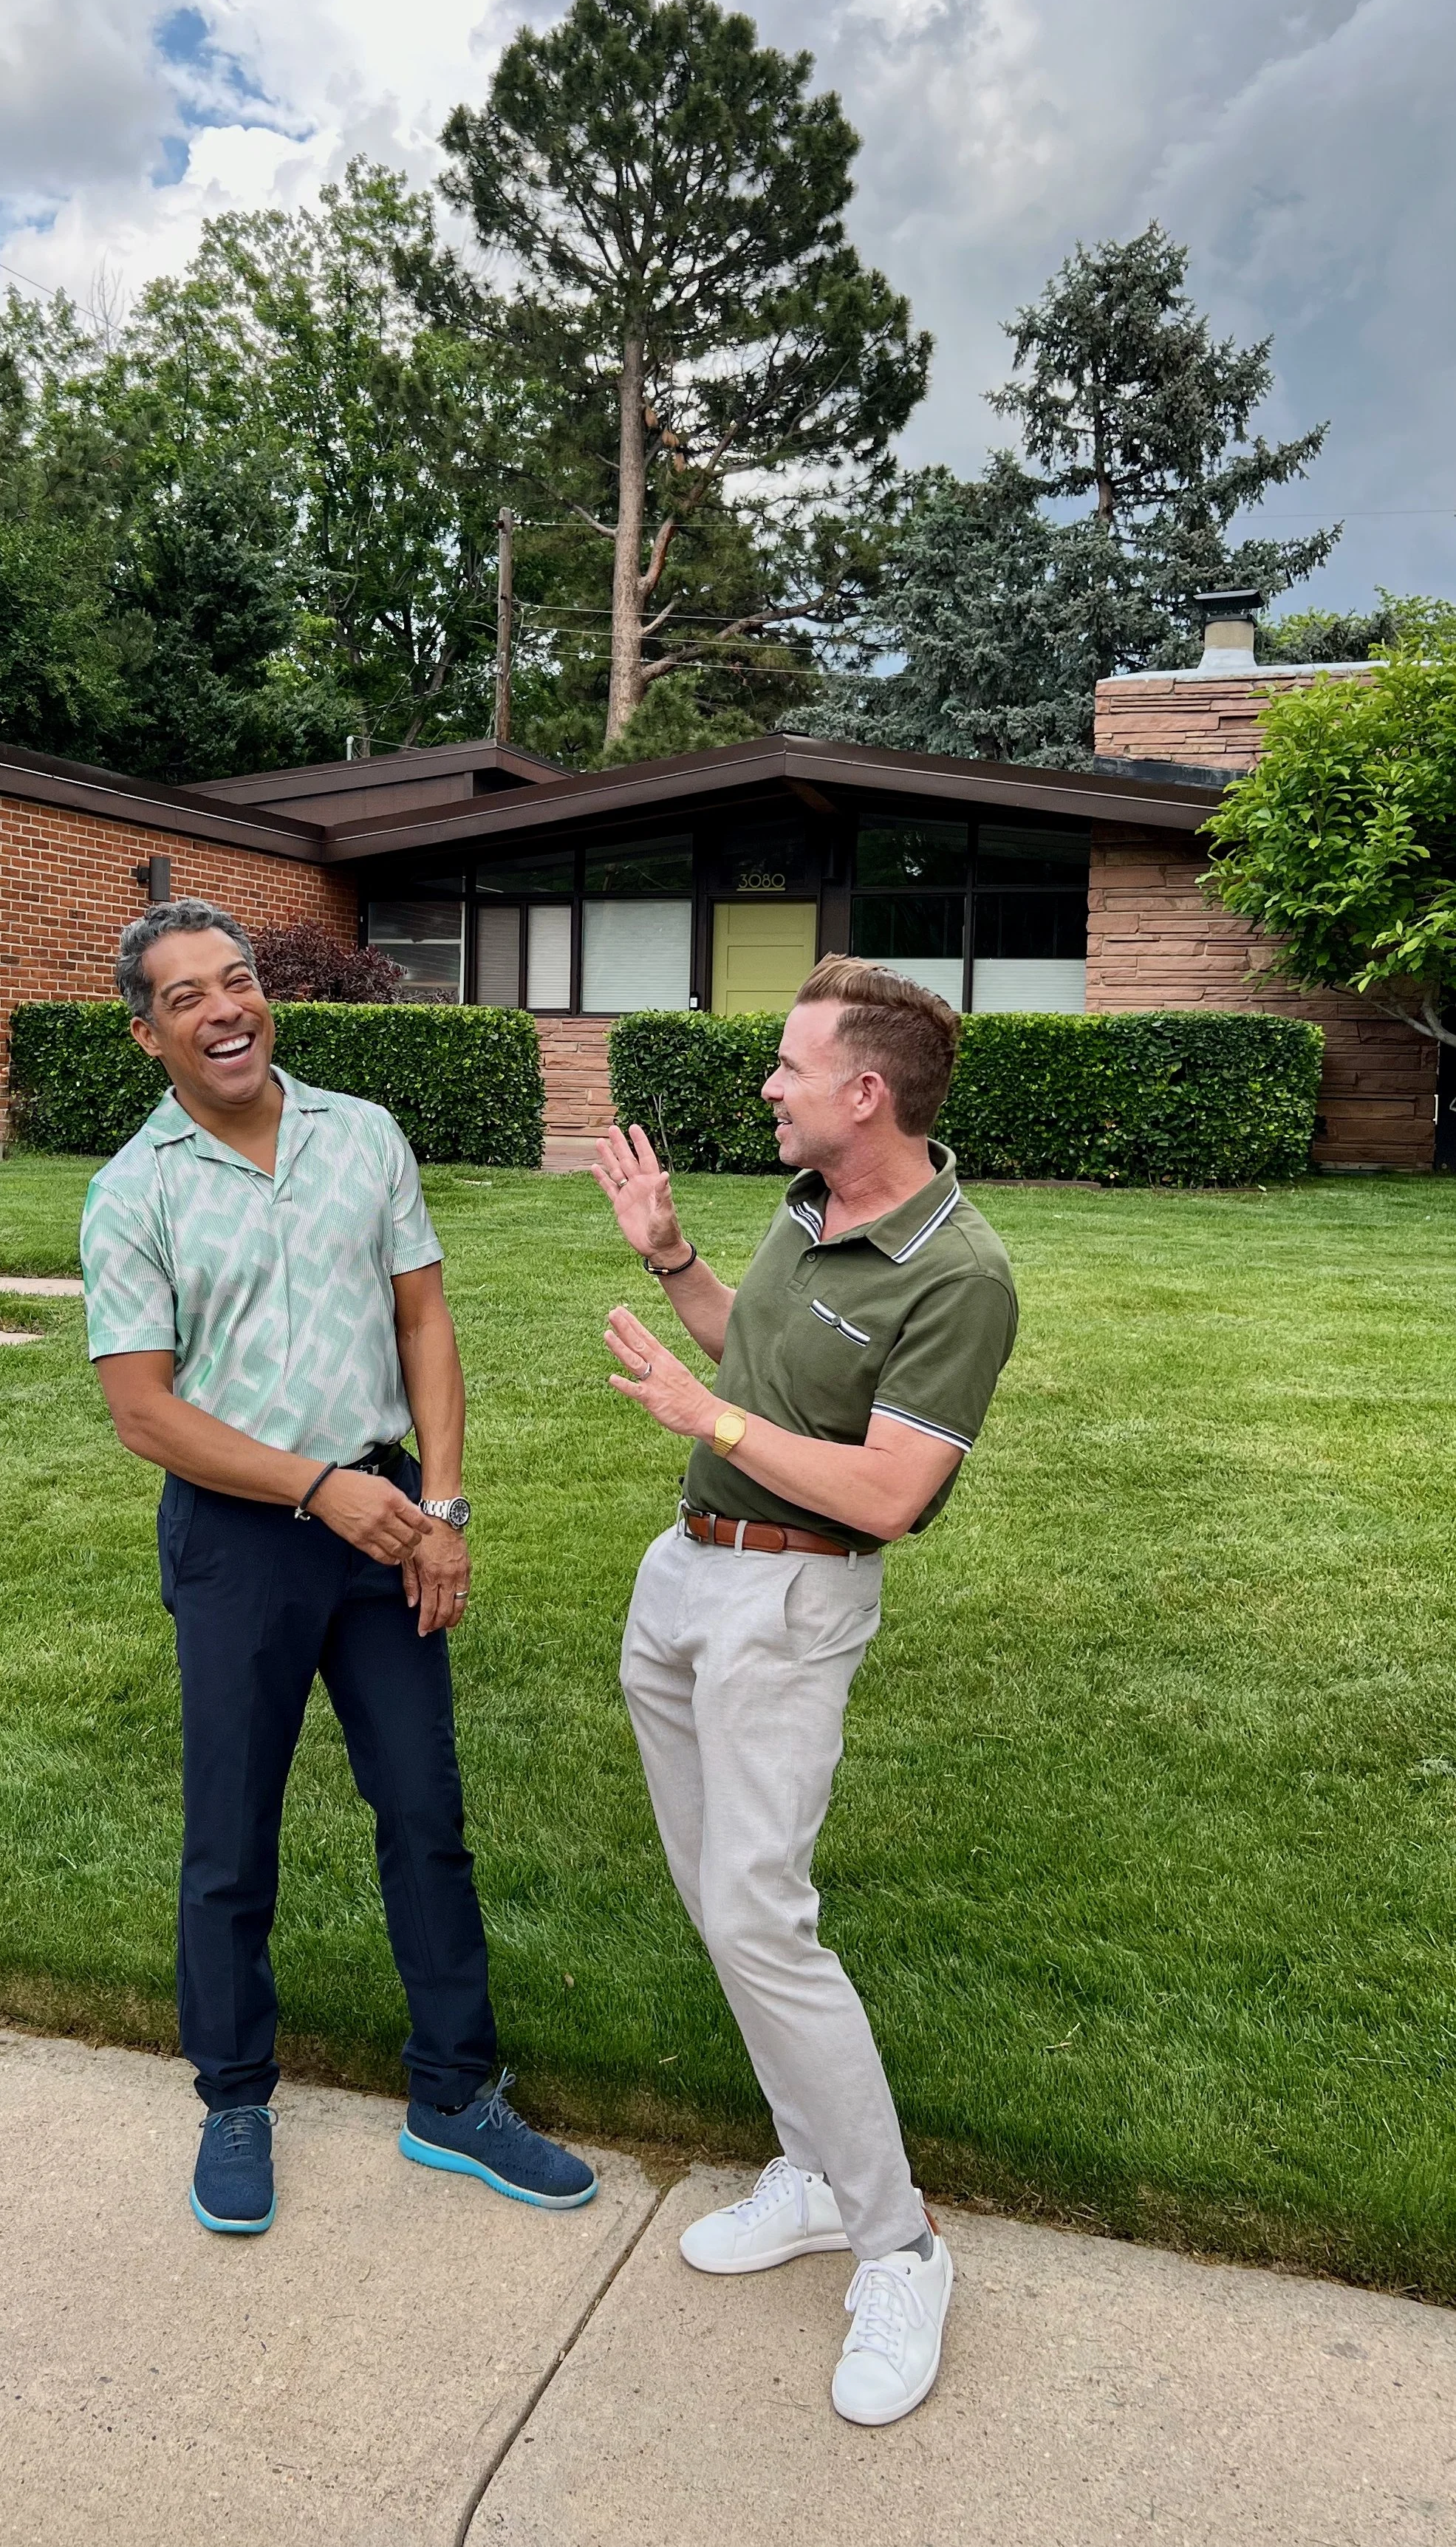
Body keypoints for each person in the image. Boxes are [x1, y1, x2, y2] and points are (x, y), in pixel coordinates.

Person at [81, 896, 595, 2234]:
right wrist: (322, 1491)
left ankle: (454, 2094)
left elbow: (422, 1317)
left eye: (236, 979)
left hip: (392, 1523)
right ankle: (235, 2096)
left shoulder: (362, 1135)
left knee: (424, 1811)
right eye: (185, 995)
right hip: (243, 1538)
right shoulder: (131, 1190)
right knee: (230, 1832)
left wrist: (442, 1507)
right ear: (148, 1034)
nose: (224, 1007)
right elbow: (144, 1409)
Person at [594, 956, 1016, 2427]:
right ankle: (813, 2171)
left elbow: (894, 1489)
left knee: (760, 1906)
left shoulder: (957, 1274)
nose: (763, 1084)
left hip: (790, 1595)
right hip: (686, 1568)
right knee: (721, 1900)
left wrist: (702, 1414)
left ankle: (897, 2242)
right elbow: (754, 1365)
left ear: (865, 1092)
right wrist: (670, 1262)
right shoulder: (804, 1203)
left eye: (787, 1065)